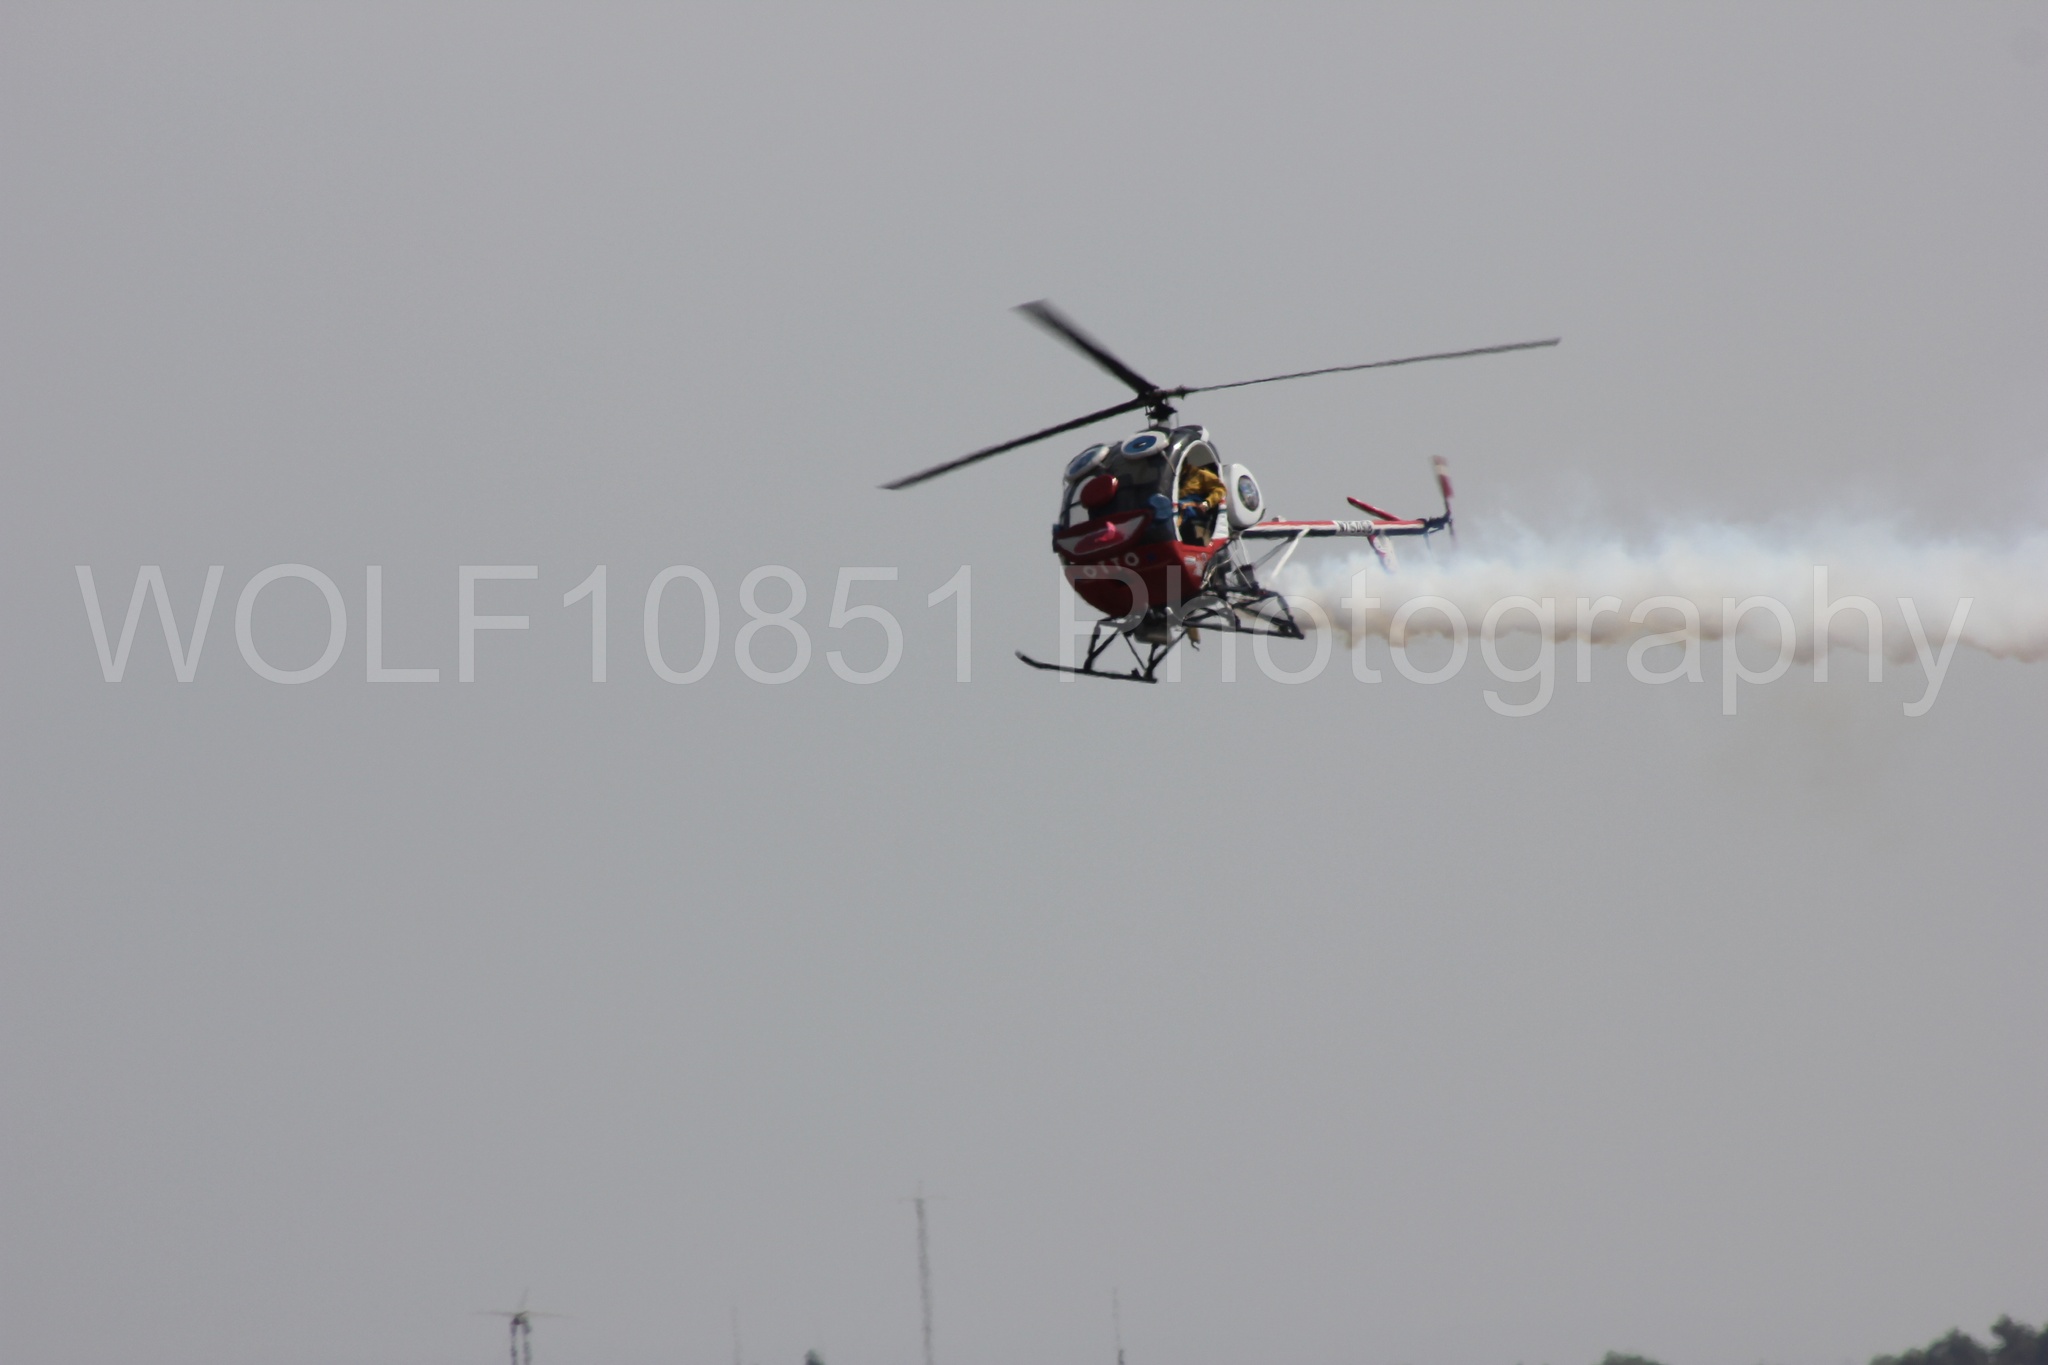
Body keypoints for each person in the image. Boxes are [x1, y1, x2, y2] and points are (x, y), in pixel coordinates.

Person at [1177, 462, 1225, 545]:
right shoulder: (1174, 478)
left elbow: (1220, 490)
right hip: (1179, 504)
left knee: (1180, 507)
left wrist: (1206, 504)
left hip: (1194, 507)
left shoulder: (1201, 474)